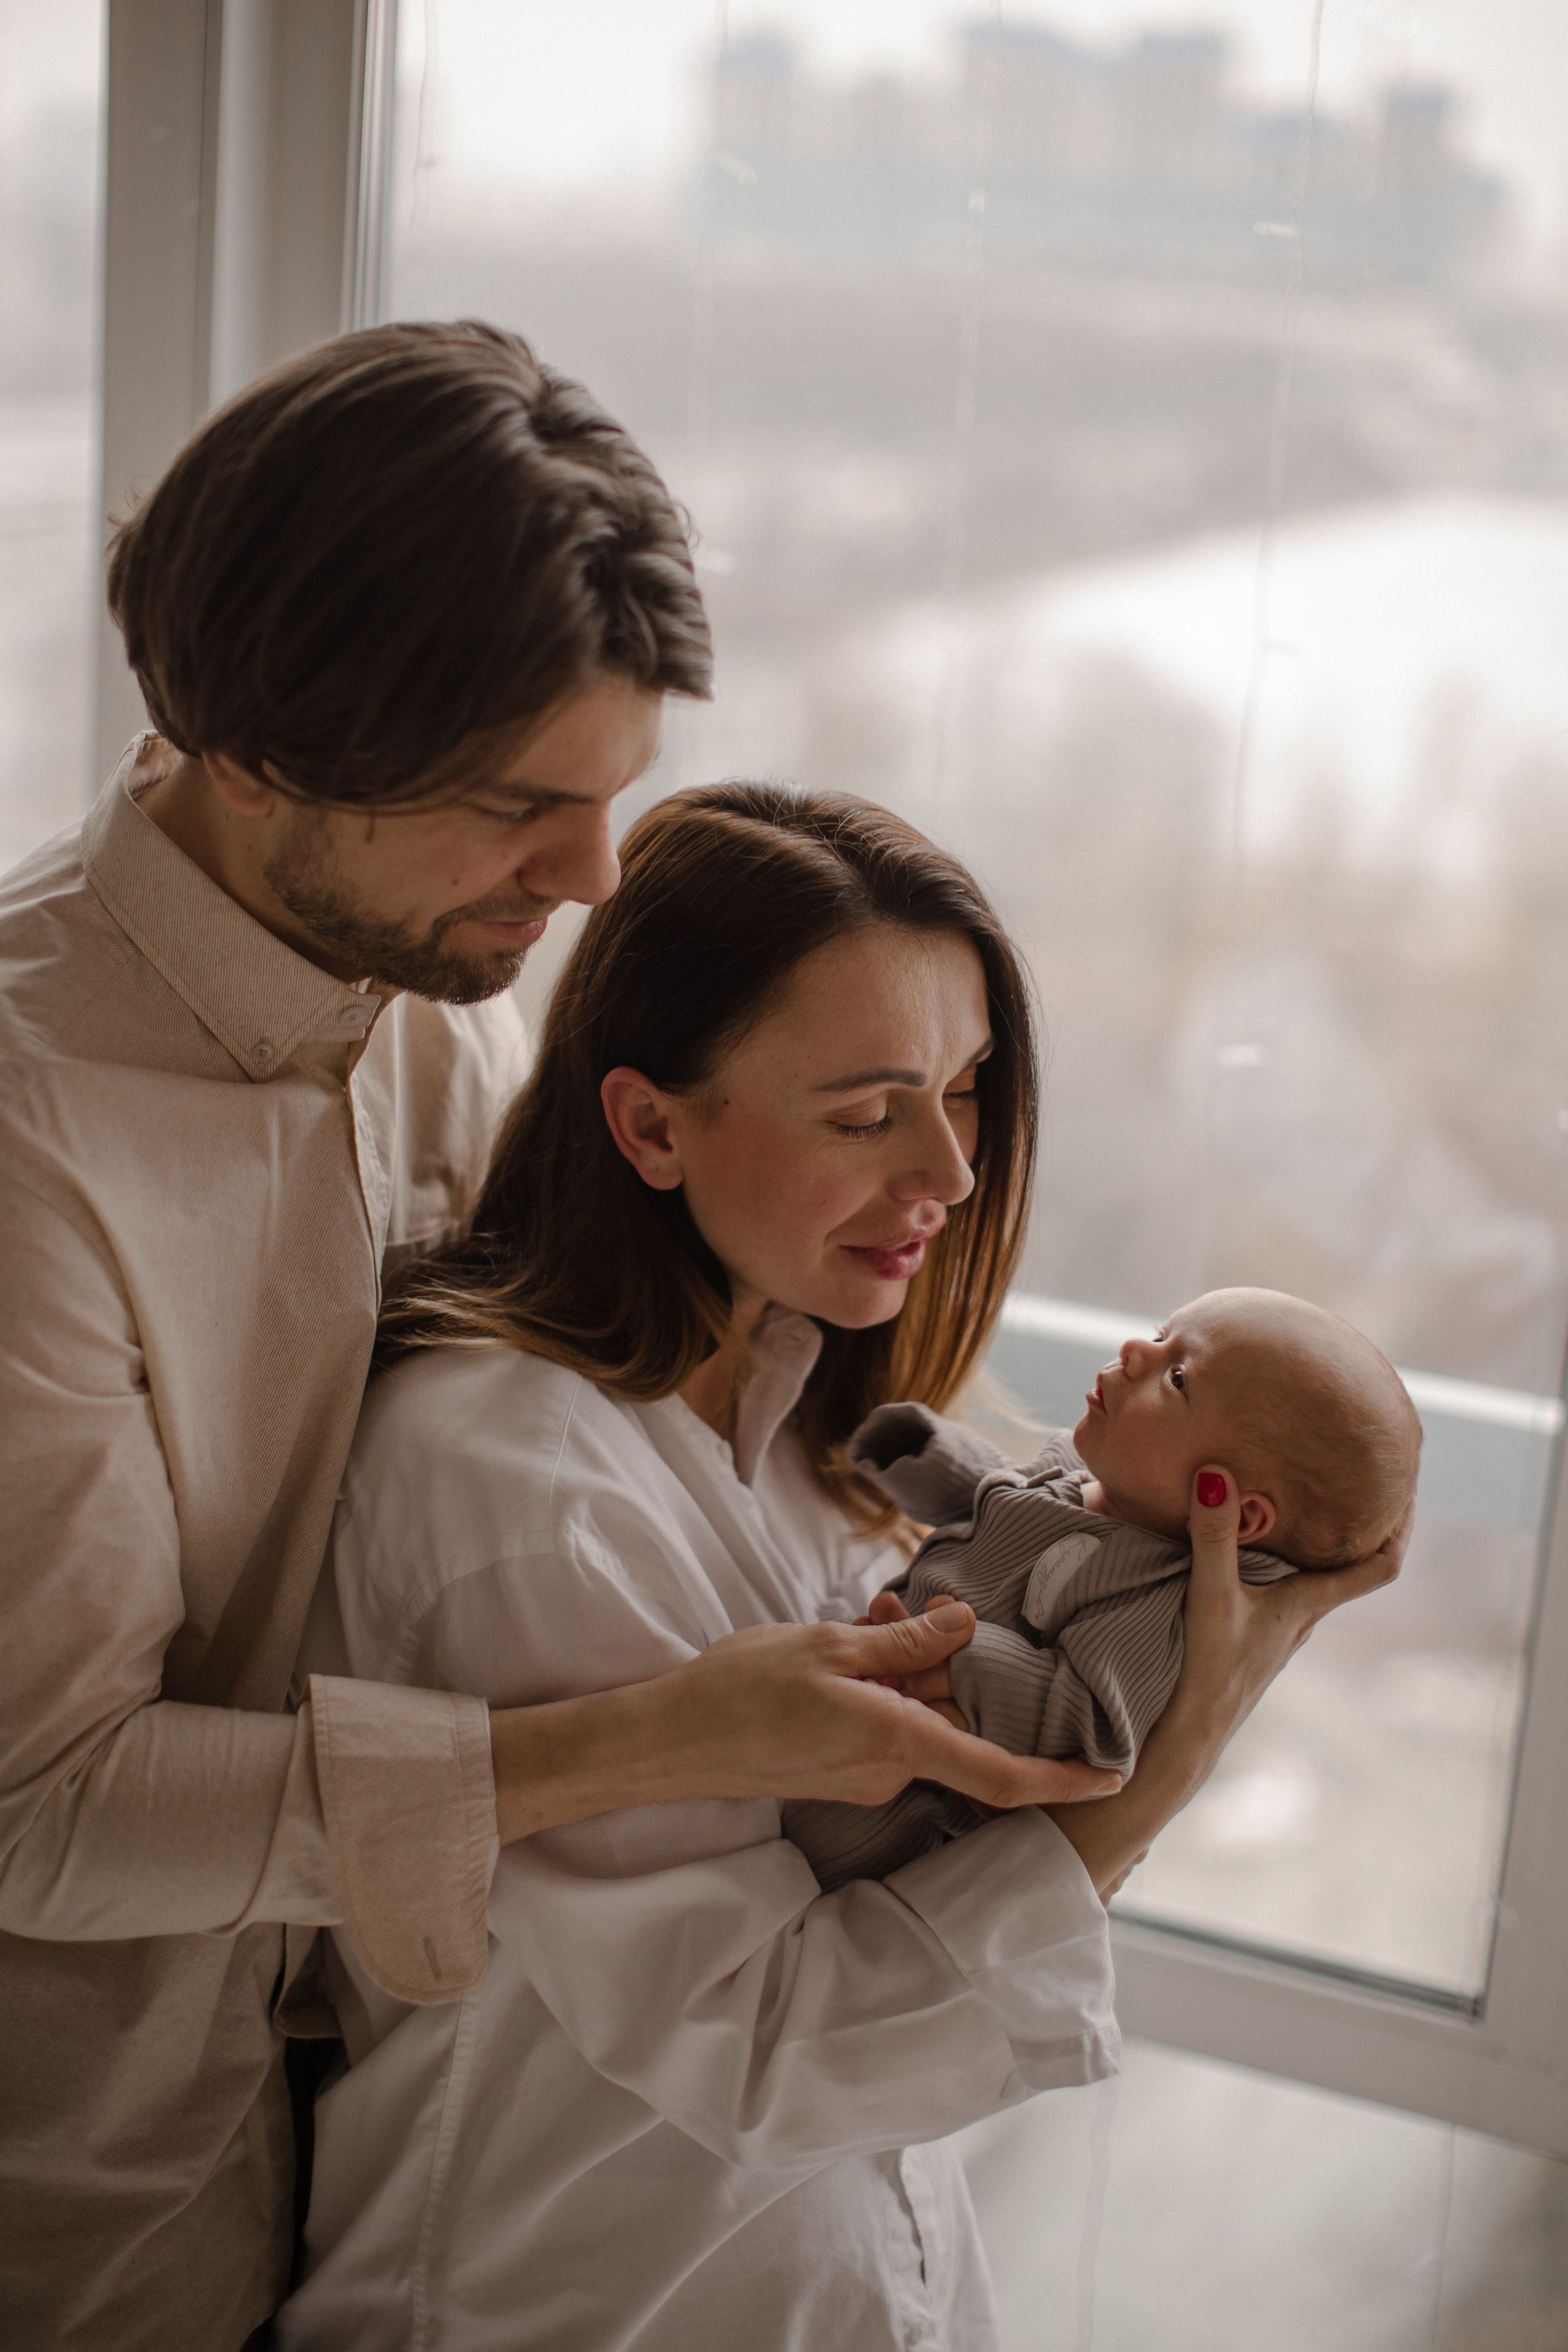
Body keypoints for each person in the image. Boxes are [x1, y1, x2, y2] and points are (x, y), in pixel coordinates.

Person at [0, 323, 1109, 2352]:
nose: (593, 878)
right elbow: (33, 1805)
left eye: (614, 796)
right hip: (98, 2209)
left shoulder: (431, 982)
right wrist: (661, 1739)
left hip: (418, 2130)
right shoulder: (27, 1149)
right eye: (525, 806)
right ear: (258, 754)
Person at [277, 783, 1404, 2352]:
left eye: (961, 1088)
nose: (948, 1168)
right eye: (867, 1109)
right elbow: (767, 2047)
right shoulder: (515, 1486)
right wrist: (1150, 1783)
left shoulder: (813, 1413)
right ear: (649, 1123)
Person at [785, 1286, 1422, 1889]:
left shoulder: (1156, 1599)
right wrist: (926, 1454)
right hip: (858, 1708)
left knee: (807, 1832)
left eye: (1177, 1378)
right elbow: (1000, 1502)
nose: (1134, 1353)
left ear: (1239, 1513)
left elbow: (1089, 1722)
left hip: (893, 1823)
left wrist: (959, 1664)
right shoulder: (1085, 1476)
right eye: (1159, 1336)